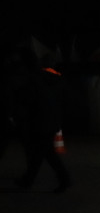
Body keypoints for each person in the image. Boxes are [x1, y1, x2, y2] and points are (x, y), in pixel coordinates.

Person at [14, 51, 71, 192]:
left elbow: (28, 100)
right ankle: (28, 179)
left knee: (44, 152)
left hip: (40, 121)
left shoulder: (32, 79)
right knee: (41, 152)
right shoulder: (50, 78)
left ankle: (63, 179)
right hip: (50, 119)